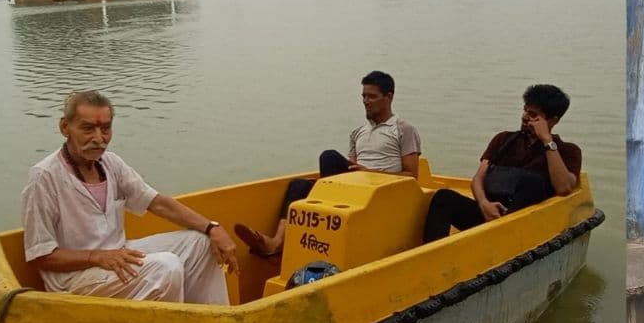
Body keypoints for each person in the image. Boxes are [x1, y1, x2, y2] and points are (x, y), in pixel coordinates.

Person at [21, 90, 238, 305]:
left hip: (118, 257)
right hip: (75, 280)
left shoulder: (111, 163)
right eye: (88, 129)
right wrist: (96, 257)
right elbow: (41, 256)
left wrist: (212, 228)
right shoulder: (44, 177)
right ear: (65, 127)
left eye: (105, 129)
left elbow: (157, 203)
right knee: (166, 267)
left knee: (202, 243)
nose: (98, 139)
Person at [234, 70, 422, 256]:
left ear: (388, 97)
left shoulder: (403, 130)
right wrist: (359, 173)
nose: (366, 101)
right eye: (363, 96)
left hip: (382, 192)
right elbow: (352, 166)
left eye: (372, 97)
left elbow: (412, 175)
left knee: (328, 157)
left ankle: (326, 211)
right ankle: (277, 243)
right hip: (355, 188)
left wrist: (370, 173)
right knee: (298, 185)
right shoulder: (358, 132)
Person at [422, 84, 581, 243]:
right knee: (444, 197)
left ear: (552, 120)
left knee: (531, 181)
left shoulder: (566, 151)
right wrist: (484, 204)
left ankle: (500, 238)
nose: (525, 117)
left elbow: (564, 187)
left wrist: (547, 140)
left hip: (523, 227)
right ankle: (430, 253)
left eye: (533, 115)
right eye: (525, 110)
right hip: (490, 213)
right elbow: (478, 178)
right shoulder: (503, 140)